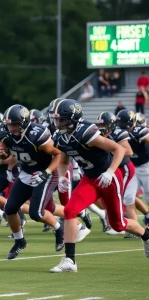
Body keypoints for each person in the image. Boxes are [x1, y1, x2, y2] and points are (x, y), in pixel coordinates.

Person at [49, 99, 149, 273]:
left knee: (118, 224)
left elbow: (119, 149)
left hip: (109, 178)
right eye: (56, 119)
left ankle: (146, 235)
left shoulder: (86, 132)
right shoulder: (60, 136)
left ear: (73, 119)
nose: (57, 123)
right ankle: (70, 260)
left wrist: (110, 172)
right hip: (90, 179)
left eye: (62, 120)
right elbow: (64, 160)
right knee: (69, 210)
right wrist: (64, 176)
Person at [0, 104, 64, 259]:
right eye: (9, 125)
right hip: (27, 171)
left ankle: (59, 229)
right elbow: (3, 158)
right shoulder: (5, 134)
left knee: (35, 213)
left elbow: (58, 154)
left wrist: (46, 173)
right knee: (10, 208)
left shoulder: (37, 135)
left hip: (45, 171)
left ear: (24, 122)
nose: (11, 128)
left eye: (14, 124)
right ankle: (20, 241)